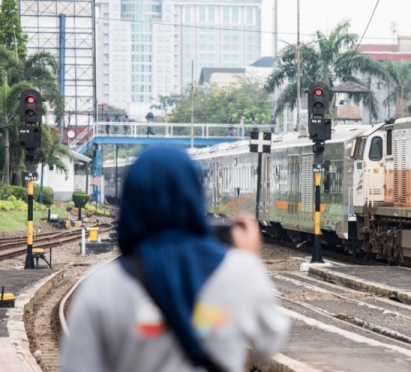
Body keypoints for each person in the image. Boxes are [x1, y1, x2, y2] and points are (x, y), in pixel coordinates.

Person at [60, 147, 289, 372]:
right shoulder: (240, 271)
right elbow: (271, 342)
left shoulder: (102, 285)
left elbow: (77, 365)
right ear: (195, 195)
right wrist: (248, 258)